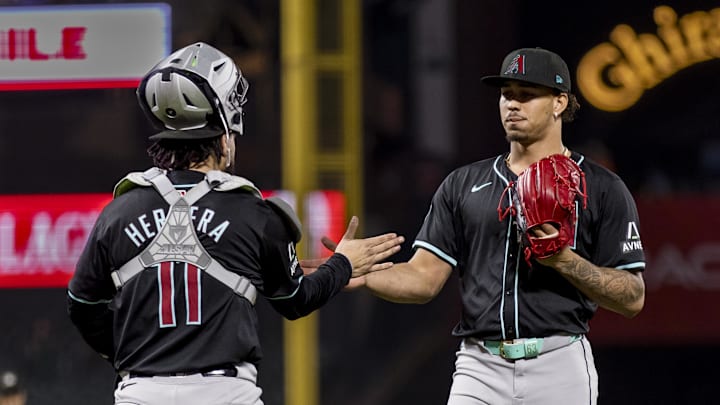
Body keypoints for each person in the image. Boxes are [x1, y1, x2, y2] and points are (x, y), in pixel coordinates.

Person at [66, 42, 404, 405]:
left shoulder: (117, 213)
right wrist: (344, 263)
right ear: (224, 137)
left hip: (141, 392)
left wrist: (131, 355)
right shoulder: (254, 213)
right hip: (226, 394)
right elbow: (295, 299)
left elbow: (82, 306)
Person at [346, 47, 646, 404]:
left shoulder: (601, 187)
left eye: (527, 95)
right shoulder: (462, 184)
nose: (512, 104)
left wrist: (564, 261)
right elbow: (423, 279)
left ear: (559, 103)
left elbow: (633, 296)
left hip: (558, 364)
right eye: (506, 94)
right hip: (480, 367)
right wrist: (361, 274)